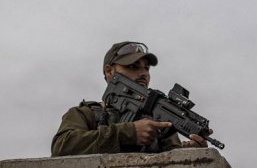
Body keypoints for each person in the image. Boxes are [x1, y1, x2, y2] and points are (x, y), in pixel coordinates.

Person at [51, 41, 211, 156]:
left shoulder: (159, 124)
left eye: (146, 68)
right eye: (133, 66)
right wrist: (128, 133)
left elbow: (172, 166)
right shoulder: (86, 114)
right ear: (109, 71)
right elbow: (62, 146)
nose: (143, 73)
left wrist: (190, 154)